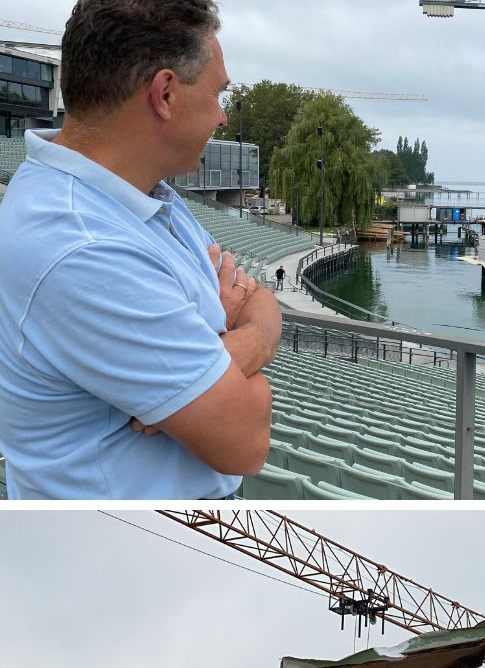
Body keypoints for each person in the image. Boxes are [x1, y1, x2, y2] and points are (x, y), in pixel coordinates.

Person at [0, 0, 281, 499]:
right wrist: (247, 343)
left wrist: (240, 342)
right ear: (165, 94)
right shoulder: (82, 245)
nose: (221, 117)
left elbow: (256, 298)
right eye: (218, 94)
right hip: (130, 553)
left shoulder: (138, 194)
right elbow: (246, 439)